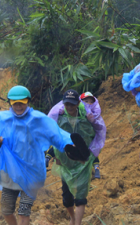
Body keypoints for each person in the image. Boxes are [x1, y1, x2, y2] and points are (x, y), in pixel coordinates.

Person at [0, 86, 89, 225]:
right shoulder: (1, 119)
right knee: (6, 210)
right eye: (15, 103)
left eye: (22, 103)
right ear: (10, 103)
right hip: (9, 173)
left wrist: (70, 144)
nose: (19, 106)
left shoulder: (37, 119)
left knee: (24, 211)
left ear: (28, 102)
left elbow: (55, 133)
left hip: (32, 174)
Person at [47, 89, 105, 225]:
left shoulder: (86, 118)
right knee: (67, 199)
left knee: (81, 196)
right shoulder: (59, 118)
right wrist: (55, 156)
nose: (69, 107)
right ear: (64, 104)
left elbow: (95, 134)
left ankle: (77, 223)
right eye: (67, 104)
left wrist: (92, 154)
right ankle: (72, 217)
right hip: (66, 162)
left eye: (72, 104)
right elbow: (54, 137)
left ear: (78, 103)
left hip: (83, 162)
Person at [80, 92, 104, 179]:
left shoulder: (95, 113)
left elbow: (99, 126)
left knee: (93, 153)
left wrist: (92, 120)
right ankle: (86, 173)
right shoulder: (78, 111)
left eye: (91, 102)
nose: (89, 104)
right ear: (81, 101)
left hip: (90, 136)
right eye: (86, 101)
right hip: (80, 137)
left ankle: (96, 170)